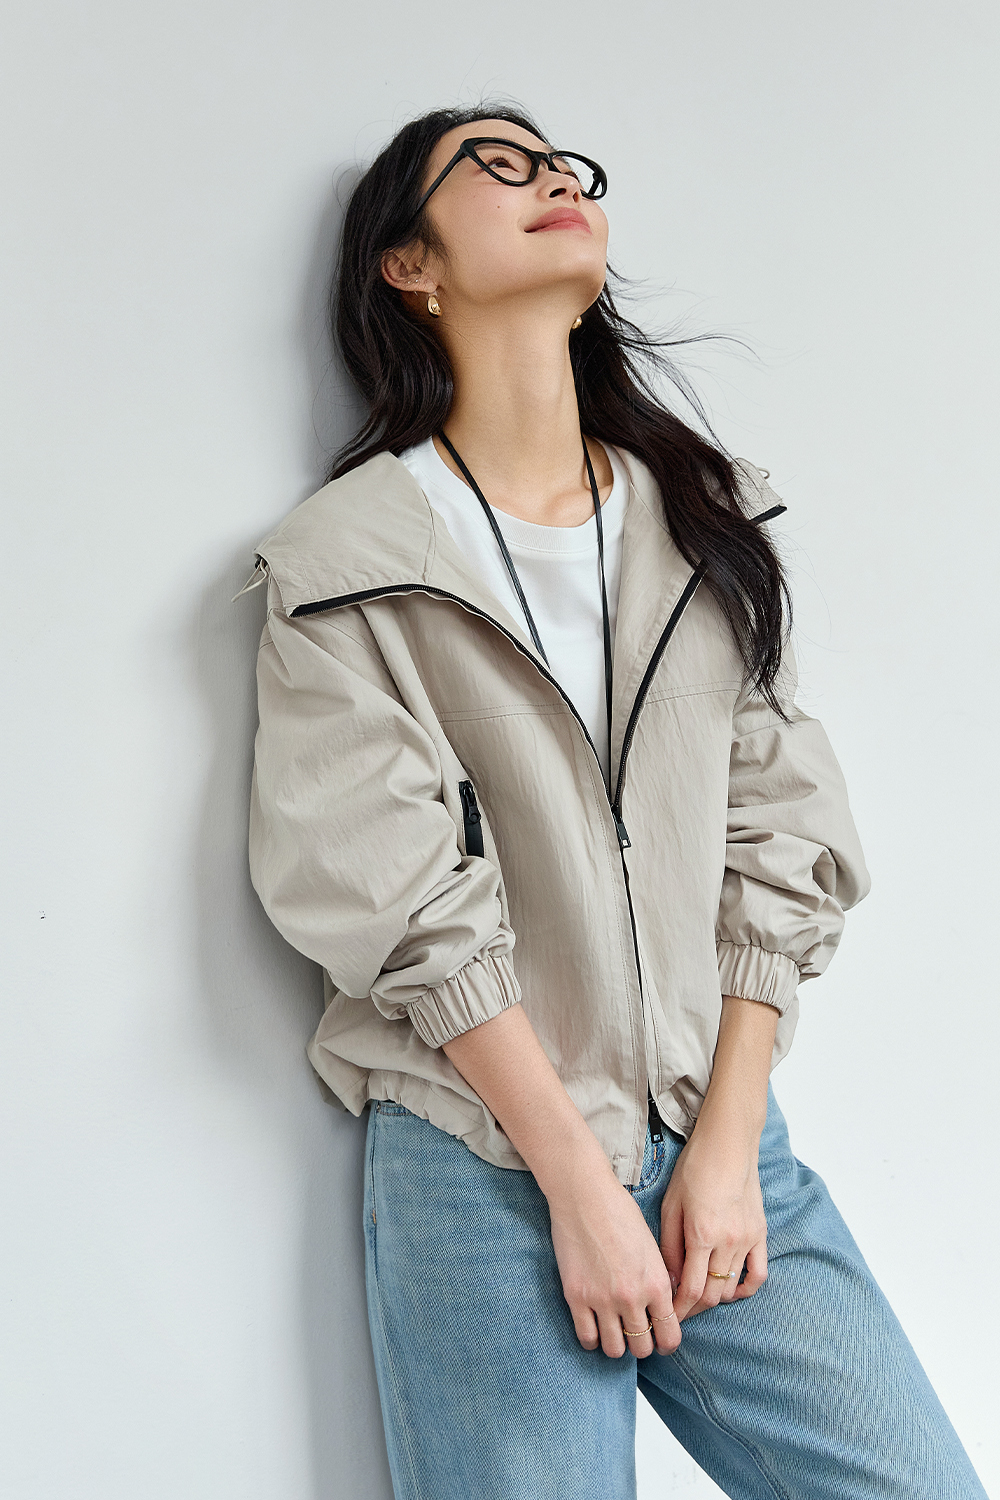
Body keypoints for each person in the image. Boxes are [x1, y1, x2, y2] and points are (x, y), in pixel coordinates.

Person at [243, 104, 986, 1500]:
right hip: (487, 1164)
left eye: (562, 164)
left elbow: (780, 834)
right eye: (497, 166)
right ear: (411, 264)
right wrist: (579, 1184)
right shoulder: (345, 565)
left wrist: (727, 1142)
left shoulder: (703, 519)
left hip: (720, 1143)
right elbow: (390, 893)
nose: (551, 180)